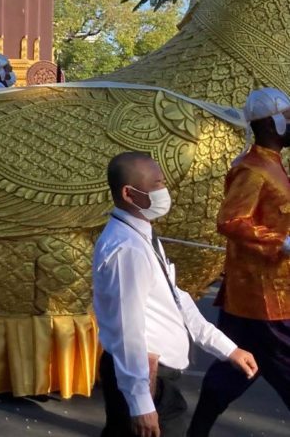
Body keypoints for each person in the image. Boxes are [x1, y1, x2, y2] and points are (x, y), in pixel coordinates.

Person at [93, 151, 258, 437]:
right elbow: (127, 331)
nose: (164, 192)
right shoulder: (127, 250)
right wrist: (141, 403)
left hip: (155, 379)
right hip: (148, 379)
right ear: (129, 194)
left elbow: (176, 299)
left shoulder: (141, 235)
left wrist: (226, 348)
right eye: (156, 185)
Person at [188, 88, 290, 435]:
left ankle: (197, 430)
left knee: (233, 367)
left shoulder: (272, 166)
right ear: (273, 123)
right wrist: (281, 242)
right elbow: (231, 221)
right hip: (265, 300)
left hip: (255, 295)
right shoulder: (253, 170)